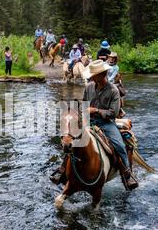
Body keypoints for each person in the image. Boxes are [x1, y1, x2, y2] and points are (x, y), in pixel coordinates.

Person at [50, 60, 139, 190]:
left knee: (119, 145)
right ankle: (63, 170)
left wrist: (96, 110)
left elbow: (113, 113)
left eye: (93, 74)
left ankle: (127, 173)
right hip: (88, 121)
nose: (90, 76)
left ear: (102, 74)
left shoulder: (113, 91)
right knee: (71, 140)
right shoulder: (89, 87)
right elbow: (84, 105)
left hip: (106, 123)